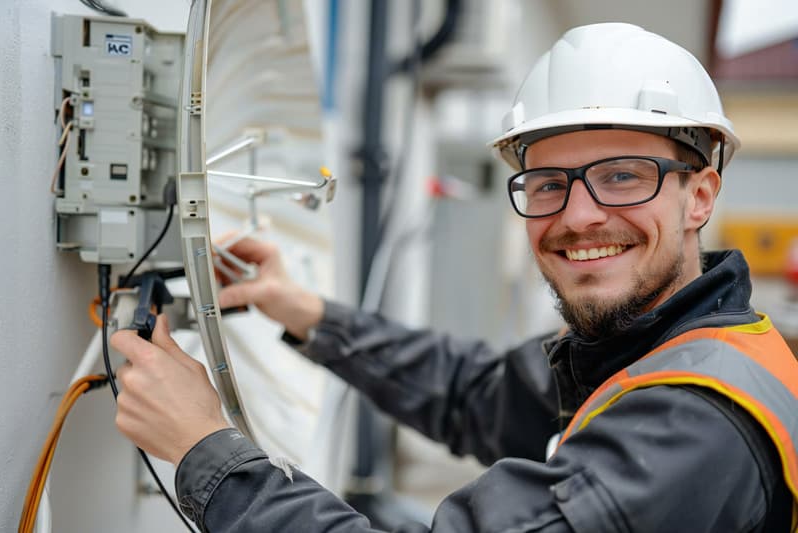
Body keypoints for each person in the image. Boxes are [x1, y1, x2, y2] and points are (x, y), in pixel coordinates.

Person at [111, 23, 798, 532]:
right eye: (550, 182)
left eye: (623, 176)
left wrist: (206, 451)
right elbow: (475, 393)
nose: (580, 215)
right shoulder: (648, 350)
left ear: (700, 196)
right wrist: (310, 314)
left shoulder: (692, 423)